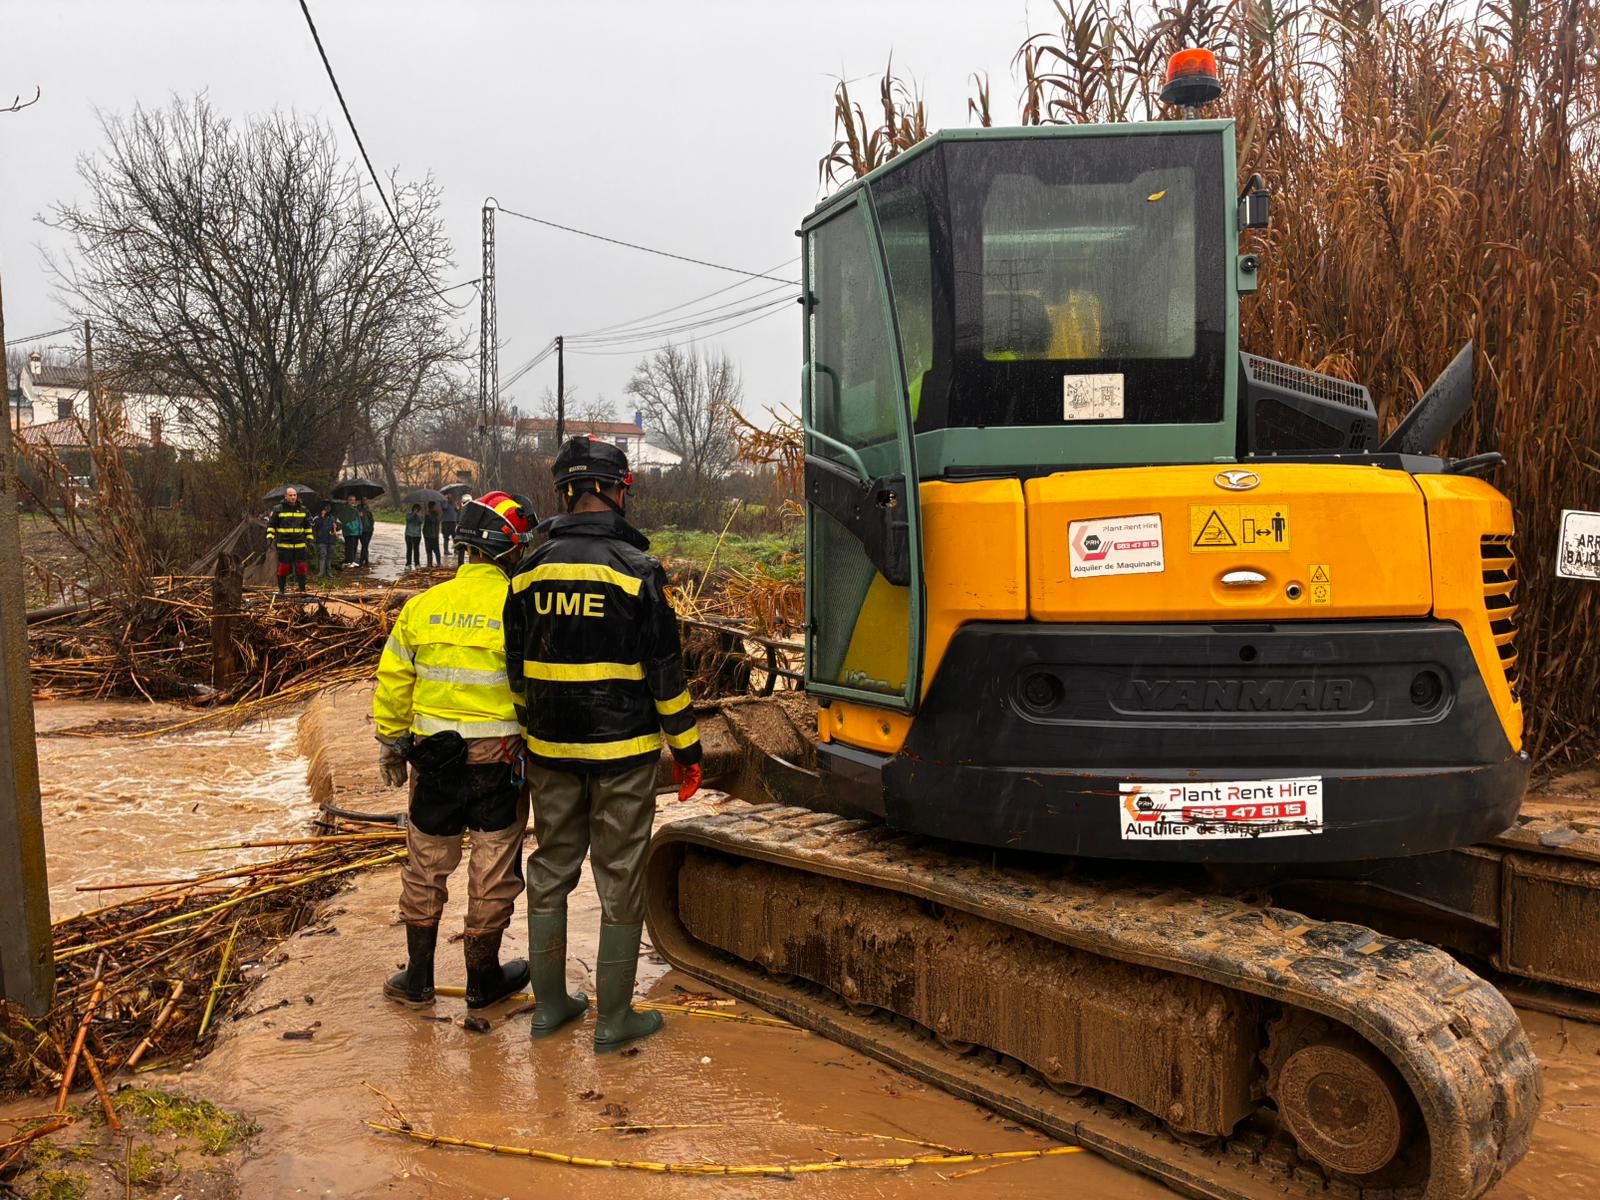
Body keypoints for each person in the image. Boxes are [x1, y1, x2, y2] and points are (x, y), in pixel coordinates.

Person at [505, 437, 702, 1053]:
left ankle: (551, 1009)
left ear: (564, 493)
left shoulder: (525, 572)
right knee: (620, 876)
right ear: (619, 492)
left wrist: (527, 736)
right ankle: (614, 1022)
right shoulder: (638, 572)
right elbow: (665, 674)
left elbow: (517, 671)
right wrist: (688, 751)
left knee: (551, 869)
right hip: (623, 750)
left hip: (550, 751)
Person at [373, 490, 541, 1011]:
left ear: (467, 547)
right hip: (500, 763)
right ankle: (482, 981)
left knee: (425, 865)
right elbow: (534, 687)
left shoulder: (422, 607)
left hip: (433, 761)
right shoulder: (522, 608)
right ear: (510, 549)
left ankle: (418, 979)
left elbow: (395, 679)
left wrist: (391, 741)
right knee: (493, 869)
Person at [266, 487, 312, 595]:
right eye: (290, 495)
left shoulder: (303, 509)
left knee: (301, 567)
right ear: (285, 497)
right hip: (284, 544)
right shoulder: (278, 509)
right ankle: (281, 590)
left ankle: (302, 589)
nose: (293, 497)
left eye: (294, 495)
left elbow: (308, 526)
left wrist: (310, 540)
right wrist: (269, 537)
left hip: (299, 543)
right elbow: (272, 525)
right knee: (284, 568)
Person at [311, 502, 339, 580]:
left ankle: (329, 572)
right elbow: (314, 526)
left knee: (329, 556)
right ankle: (321, 572)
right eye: (326, 507)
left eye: (329, 507)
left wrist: (336, 527)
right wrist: (322, 518)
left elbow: (339, 526)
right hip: (321, 539)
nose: (328, 509)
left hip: (331, 539)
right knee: (322, 556)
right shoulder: (317, 517)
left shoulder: (333, 517)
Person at [404, 503, 423, 568]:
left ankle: (417, 563)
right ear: (413, 509)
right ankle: (408, 563)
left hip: (417, 535)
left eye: (418, 509)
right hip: (409, 534)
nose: (417, 510)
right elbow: (408, 519)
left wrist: (418, 515)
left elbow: (421, 521)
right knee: (409, 549)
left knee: (416, 549)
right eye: (416, 509)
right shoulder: (409, 514)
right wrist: (414, 514)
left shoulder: (420, 515)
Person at [423, 501, 442, 567]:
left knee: (436, 550)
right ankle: (429, 563)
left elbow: (435, 522)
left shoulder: (436, 514)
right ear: (431, 507)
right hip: (427, 535)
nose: (436, 507)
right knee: (428, 550)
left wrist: (428, 516)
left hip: (434, 535)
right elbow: (425, 525)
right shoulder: (427, 514)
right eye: (435, 506)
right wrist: (427, 516)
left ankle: (438, 563)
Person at [358, 498, 376, 567]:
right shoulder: (358, 509)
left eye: (366, 500)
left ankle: (365, 561)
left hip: (369, 530)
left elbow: (372, 520)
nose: (364, 501)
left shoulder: (368, 509)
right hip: (361, 530)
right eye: (363, 500)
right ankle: (363, 561)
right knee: (365, 545)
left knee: (365, 545)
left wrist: (370, 527)